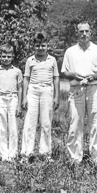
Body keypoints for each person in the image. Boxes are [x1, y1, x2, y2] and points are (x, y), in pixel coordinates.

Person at [61, 22, 97, 166]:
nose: (84, 34)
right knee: (76, 123)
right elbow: (65, 72)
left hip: (94, 90)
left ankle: (96, 160)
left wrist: (93, 77)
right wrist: (75, 76)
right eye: (81, 31)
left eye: (86, 31)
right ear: (77, 33)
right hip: (76, 90)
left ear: (90, 32)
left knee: (95, 124)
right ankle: (75, 159)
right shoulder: (70, 51)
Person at [21, 32, 60, 160]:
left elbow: (56, 79)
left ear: (47, 45)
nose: (40, 48)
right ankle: (26, 154)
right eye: (37, 45)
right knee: (30, 123)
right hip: (33, 90)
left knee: (46, 123)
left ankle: (45, 154)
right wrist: (24, 97)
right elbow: (26, 79)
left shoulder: (52, 60)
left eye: (43, 45)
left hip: (47, 91)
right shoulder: (30, 60)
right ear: (34, 46)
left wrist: (56, 97)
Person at [0, 44, 23, 162]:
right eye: (3, 56)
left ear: (12, 57)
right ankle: (3, 155)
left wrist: (19, 105)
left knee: (13, 128)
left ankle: (13, 154)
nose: (6, 59)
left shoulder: (17, 71)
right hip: (1, 99)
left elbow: (20, 88)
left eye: (8, 56)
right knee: (1, 128)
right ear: (0, 56)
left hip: (13, 98)